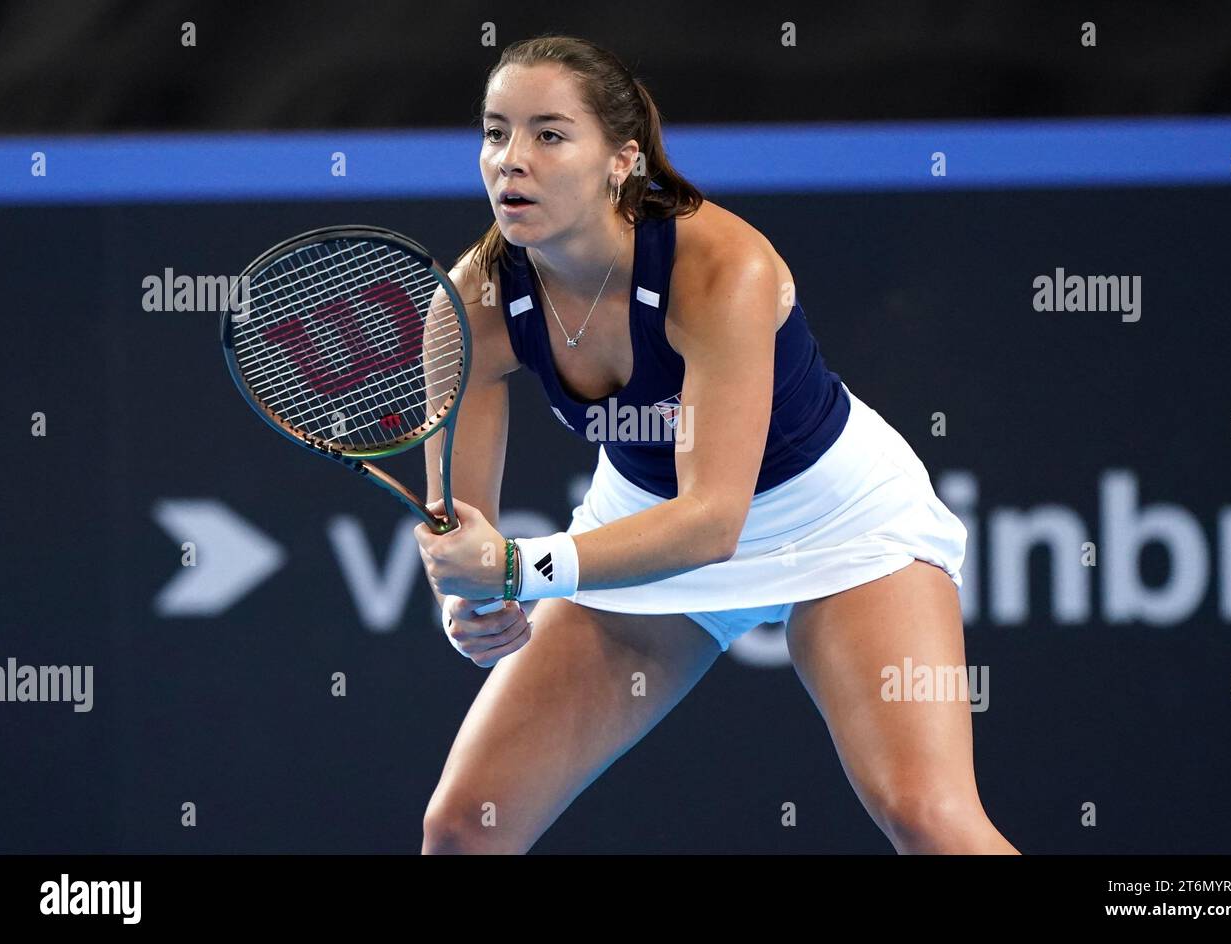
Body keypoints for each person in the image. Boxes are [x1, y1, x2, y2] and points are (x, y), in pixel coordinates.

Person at [414, 34, 1018, 854]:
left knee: (929, 820)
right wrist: (470, 600)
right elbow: (468, 530)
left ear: (621, 160)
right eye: (495, 132)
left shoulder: (723, 266)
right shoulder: (471, 308)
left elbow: (711, 524)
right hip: (641, 537)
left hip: (839, 529)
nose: (510, 161)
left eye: (549, 135)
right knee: (462, 828)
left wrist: (520, 570)